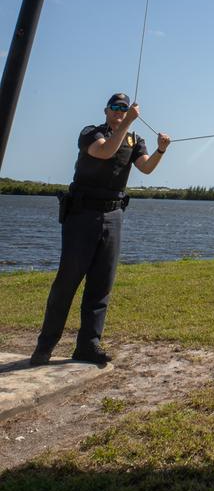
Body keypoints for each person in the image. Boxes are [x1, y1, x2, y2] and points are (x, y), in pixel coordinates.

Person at [30, 93, 170, 367]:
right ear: (106, 111)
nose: (120, 111)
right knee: (68, 281)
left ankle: (88, 346)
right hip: (82, 214)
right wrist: (127, 122)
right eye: (116, 107)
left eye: (124, 108)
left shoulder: (134, 140)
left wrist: (161, 150)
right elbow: (105, 152)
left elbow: (146, 168)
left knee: (101, 284)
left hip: (113, 214)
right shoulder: (91, 133)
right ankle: (45, 345)